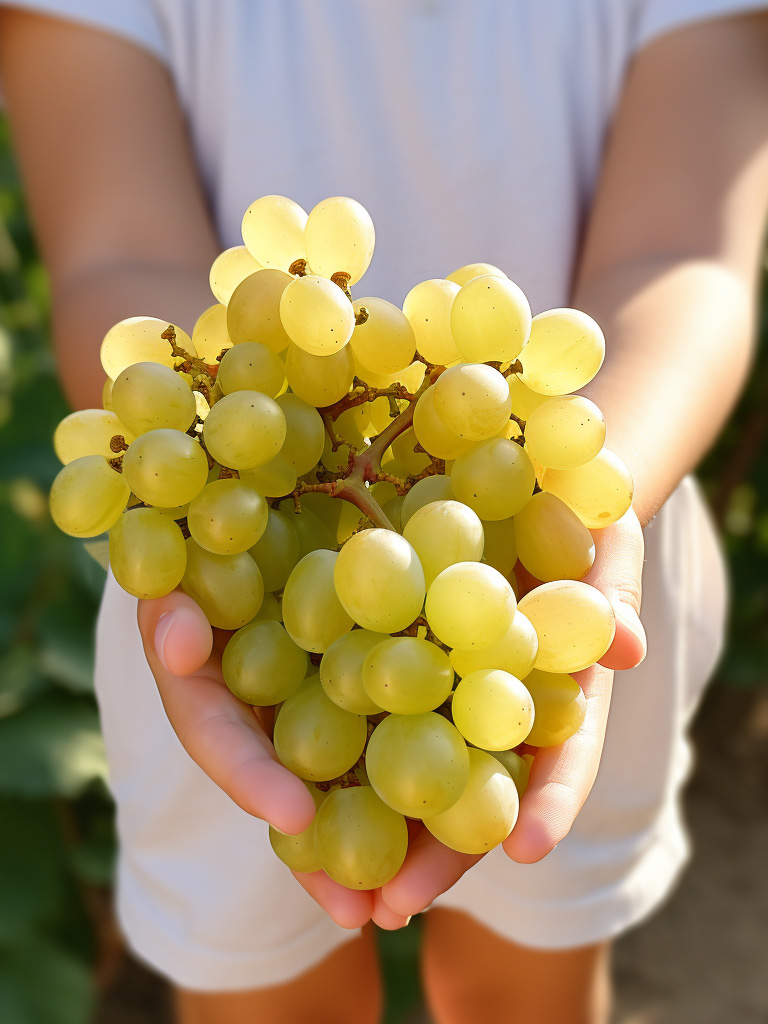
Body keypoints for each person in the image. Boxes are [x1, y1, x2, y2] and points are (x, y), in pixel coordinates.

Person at [1, 2, 767, 1021]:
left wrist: (592, 479)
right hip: (237, 582)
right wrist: (202, 425)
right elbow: (117, 257)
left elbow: (686, 257)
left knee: (525, 990)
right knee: (262, 995)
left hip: (550, 583)